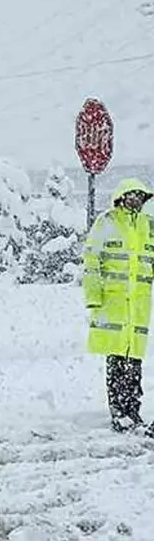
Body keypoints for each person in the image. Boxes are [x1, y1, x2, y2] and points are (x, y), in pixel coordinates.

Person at [84, 177, 154, 434]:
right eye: (131, 195)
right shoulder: (107, 222)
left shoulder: (149, 226)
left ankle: (132, 410)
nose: (136, 200)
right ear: (122, 197)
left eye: (140, 196)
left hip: (139, 306)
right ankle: (119, 411)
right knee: (116, 359)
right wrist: (94, 296)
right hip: (112, 304)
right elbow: (92, 260)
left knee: (134, 359)